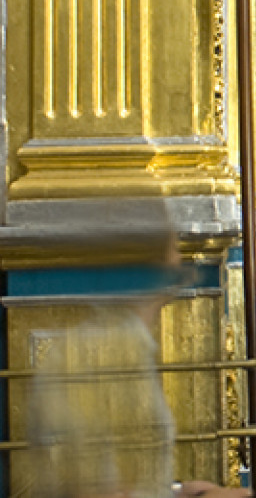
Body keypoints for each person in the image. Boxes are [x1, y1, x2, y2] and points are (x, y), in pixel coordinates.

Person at [28, 206, 236, 498]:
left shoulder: (127, 344)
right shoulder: (98, 355)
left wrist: (179, 491)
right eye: (173, 247)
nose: (179, 258)